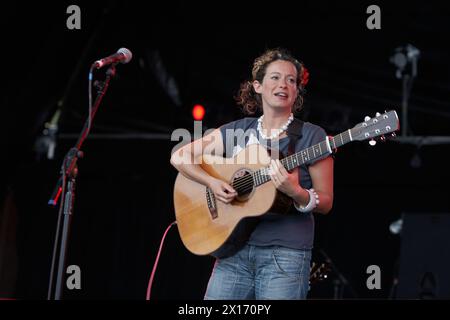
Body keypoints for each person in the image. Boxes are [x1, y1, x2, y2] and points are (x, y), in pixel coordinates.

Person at [170, 48, 333, 300]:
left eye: (292, 80)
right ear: (257, 86)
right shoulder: (238, 129)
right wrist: (212, 182)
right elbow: (179, 156)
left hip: (285, 255)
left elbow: (326, 202)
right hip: (234, 251)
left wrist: (296, 192)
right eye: (275, 77)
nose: (284, 85)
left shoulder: (313, 136)